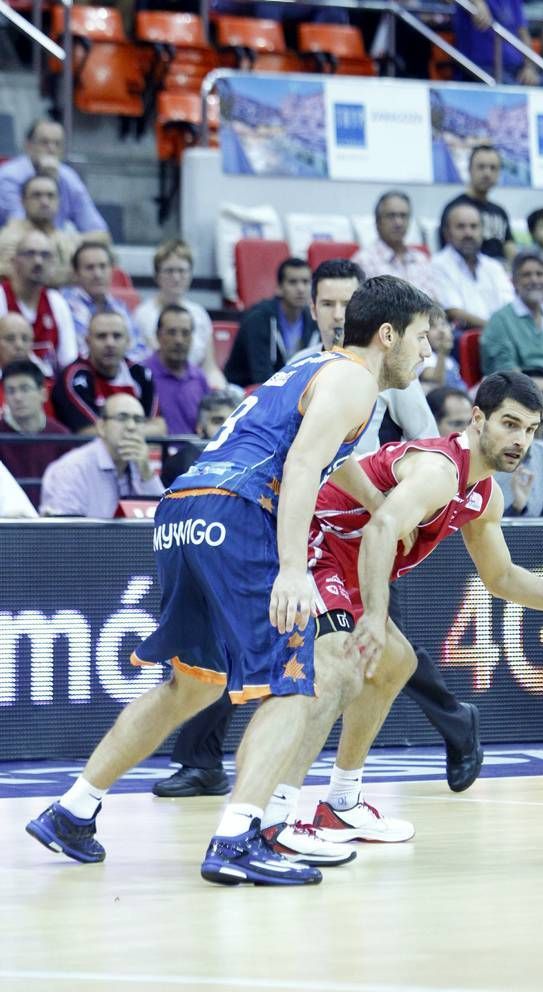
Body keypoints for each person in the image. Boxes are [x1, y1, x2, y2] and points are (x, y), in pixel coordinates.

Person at [27, 276, 435, 884]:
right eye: (421, 339)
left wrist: (379, 504)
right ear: (387, 335)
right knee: (295, 681)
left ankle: (74, 809)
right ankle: (238, 838)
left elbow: (331, 458)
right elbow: (301, 465)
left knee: (191, 686)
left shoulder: (309, 372)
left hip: (182, 508)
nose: (426, 354)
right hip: (237, 509)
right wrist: (293, 570)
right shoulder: (355, 382)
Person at [285, 372, 543, 848]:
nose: (520, 440)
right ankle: (280, 818)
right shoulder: (439, 469)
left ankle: (342, 803)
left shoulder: (483, 494)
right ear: (478, 420)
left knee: (397, 663)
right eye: (510, 424)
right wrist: (375, 617)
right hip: (311, 545)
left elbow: (501, 578)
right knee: (340, 669)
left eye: (531, 429)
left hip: (346, 565)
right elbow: (379, 530)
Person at [155, 273, 481, 802]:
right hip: (301, 516)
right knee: (320, 653)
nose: (335, 311)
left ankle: (306, 800)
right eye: (326, 302)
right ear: (313, 307)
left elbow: (424, 447)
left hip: (354, 523)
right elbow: (306, 460)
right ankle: (260, 797)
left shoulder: (386, 376)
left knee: (371, 652)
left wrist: (393, 507)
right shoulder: (323, 368)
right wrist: (292, 561)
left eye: (343, 302)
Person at [480, 249, 543, 423]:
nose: (534, 280)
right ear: (514, 281)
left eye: (540, 274)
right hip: (518, 393)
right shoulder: (500, 320)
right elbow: (506, 371)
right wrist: (539, 396)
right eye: (526, 275)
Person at [39, 392, 165, 516]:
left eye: (138, 420)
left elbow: (165, 521)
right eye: (122, 417)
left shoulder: (141, 465)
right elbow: (64, 532)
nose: (131, 426)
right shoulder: (71, 469)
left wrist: (146, 473)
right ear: (101, 427)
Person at [51, 310, 163, 436]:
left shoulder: (140, 373)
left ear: (128, 341)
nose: (110, 343)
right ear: (88, 342)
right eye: (101, 336)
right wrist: (137, 431)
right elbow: (87, 433)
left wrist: (116, 433)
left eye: (117, 336)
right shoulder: (73, 377)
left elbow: (159, 428)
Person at [133, 239, 225, 388]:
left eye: (182, 271)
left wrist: (221, 390)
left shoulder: (200, 314)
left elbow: (209, 367)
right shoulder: (143, 315)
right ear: (157, 275)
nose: (176, 277)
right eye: (169, 271)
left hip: (196, 385)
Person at [0, 118, 109, 234]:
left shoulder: (69, 177)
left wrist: (71, 242)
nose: (51, 149)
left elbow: (99, 231)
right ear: (28, 145)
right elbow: (22, 230)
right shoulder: (9, 176)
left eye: (57, 144)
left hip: (56, 245)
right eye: (44, 142)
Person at [224, 258, 317, 389]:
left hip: (289, 391)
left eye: (305, 282)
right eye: (293, 282)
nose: (300, 288)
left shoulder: (313, 319)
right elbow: (261, 376)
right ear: (279, 288)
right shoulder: (258, 319)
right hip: (245, 391)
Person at [0, 230, 77, 376]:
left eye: (45, 255)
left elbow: (69, 363)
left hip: (48, 392)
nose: (38, 261)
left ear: (53, 263)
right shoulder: (1, 297)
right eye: (30, 254)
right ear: (14, 261)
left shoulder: (57, 302)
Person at [432, 201, 513, 331]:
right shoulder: (438, 264)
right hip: (467, 337)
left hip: (502, 335)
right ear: (447, 233)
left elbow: (510, 305)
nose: (468, 233)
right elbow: (454, 311)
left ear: (482, 231)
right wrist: (497, 329)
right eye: (461, 227)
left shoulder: (493, 266)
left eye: (474, 226)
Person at [61, 241, 148, 361]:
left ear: (111, 271)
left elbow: (140, 350)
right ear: (76, 273)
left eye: (103, 266)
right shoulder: (63, 305)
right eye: (90, 268)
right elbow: (79, 353)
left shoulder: (120, 307)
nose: (97, 274)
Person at [0, 359, 70, 504]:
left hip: (52, 519)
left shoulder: (62, 436)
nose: (18, 397)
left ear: (43, 393)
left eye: (25, 389)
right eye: (11, 391)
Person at [438, 146, 516, 264]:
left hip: (499, 274)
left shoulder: (500, 211)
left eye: (493, 168)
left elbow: (510, 249)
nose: (487, 173)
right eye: (481, 167)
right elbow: (447, 253)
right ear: (469, 169)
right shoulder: (454, 209)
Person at [353, 191, 438, 297]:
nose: (398, 222)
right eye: (391, 216)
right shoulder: (363, 261)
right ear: (377, 221)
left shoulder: (421, 259)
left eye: (403, 216)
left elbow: (435, 302)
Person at [0, 174, 78, 286]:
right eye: (37, 195)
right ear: (22, 201)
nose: (45, 202)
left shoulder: (67, 239)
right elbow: (12, 276)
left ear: (59, 201)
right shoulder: (10, 237)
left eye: (50, 196)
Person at [145, 305, 210, 435]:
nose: (179, 340)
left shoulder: (199, 377)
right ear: (158, 336)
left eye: (185, 333)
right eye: (171, 332)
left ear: (192, 338)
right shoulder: (142, 375)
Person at [161, 390, 240, 488]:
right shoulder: (180, 463)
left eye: (234, 421)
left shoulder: (254, 458)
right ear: (200, 428)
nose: (227, 427)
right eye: (217, 421)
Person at [453, 0, 539, 85]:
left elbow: (523, 33)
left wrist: (529, 67)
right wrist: (477, 2)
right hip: (481, 69)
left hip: (516, 68)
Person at [419, 314, 467, 393]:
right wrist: (442, 354)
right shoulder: (425, 358)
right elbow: (437, 381)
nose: (441, 330)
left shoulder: (451, 360)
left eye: (443, 324)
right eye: (433, 326)